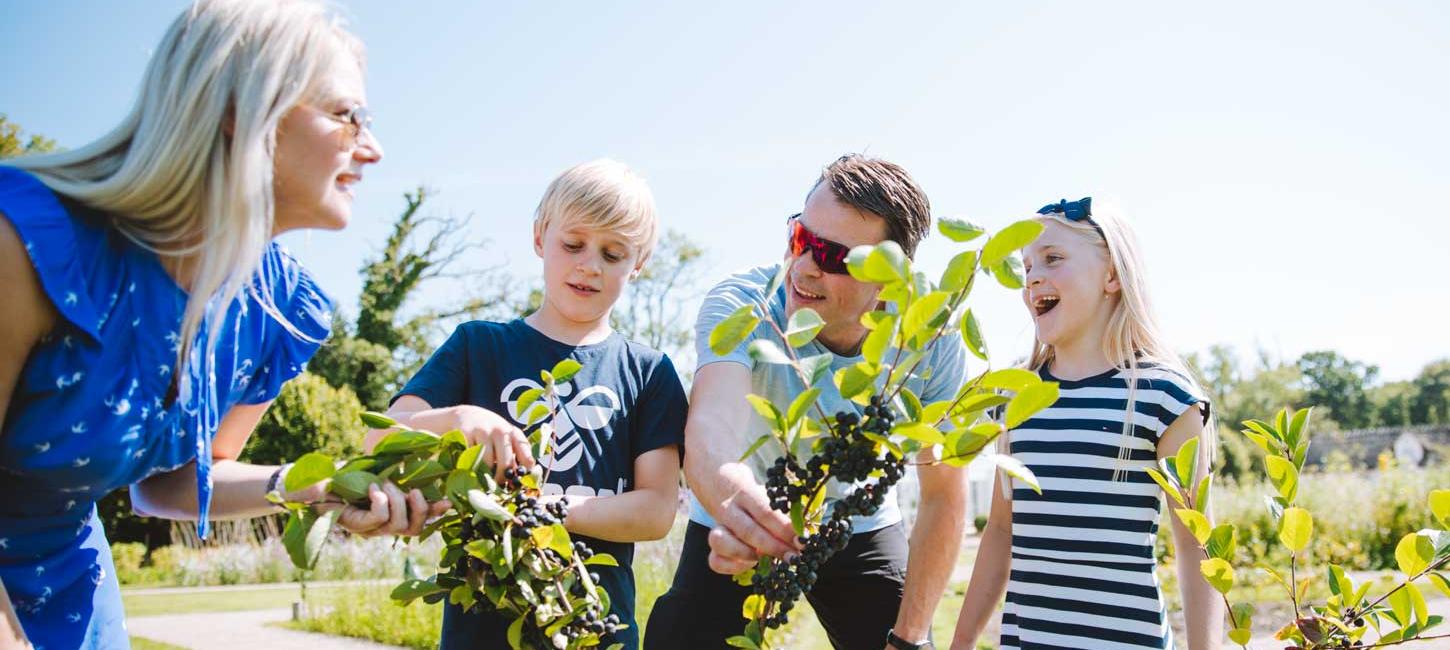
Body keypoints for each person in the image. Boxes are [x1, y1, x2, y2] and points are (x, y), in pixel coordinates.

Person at [0, 1, 415, 647]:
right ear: (239, 111)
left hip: (75, 600)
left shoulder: (275, 309)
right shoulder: (27, 245)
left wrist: (318, 486)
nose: (374, 147)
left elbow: (169, 487)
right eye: (345, 113)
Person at [645, 154, 970, 650]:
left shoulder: (931, 339)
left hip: (857, 522)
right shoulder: (745, 303)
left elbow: (944, 493)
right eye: (801, 237)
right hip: (746, 515)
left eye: (834, 257)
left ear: (890, 281)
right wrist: (734, 503)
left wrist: (908, 637)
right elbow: (712, 425)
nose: (805, 266)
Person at [372, 159, 687, 650]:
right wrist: (458, 417)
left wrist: (544, 509)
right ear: (540, 238)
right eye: (573, 244)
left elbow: (655, 511)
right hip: (482, 628)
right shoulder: (477, 347)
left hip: (594, 627)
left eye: (613, 253)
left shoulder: (648, 372)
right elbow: (381, 439)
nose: (589, 265)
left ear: (638, 263)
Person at [949, 197, 1224, 649]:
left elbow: (1196, 546)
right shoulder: (1017, 396)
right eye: (1027, 266)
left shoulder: (1164, 397)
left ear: (1112, 275)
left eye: (1053, 259)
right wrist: (960, 643)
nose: (1033, 276)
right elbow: (1001, 531)